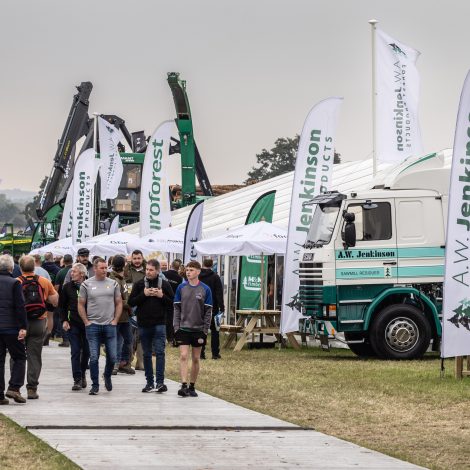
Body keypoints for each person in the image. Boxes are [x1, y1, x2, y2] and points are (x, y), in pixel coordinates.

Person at [78, 257, 122, 395]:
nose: (105, 270)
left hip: (110, 325)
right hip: (93, 325)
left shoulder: (113, 284)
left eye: (106, 267)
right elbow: (80, 304)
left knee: (113, 357)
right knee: (94, 356)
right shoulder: (86, 284)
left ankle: (107, 375)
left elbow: (119, 302)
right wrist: (86, 321)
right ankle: (95, 384)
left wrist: (115, 320)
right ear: (95, 269)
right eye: (102, 268)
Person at [128, 259, 174, 393]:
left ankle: (160, 382)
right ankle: (149, 382)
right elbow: (131, 302)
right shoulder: (139, 284)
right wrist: (144, 294)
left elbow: (172, 303)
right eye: (147, 269)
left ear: (158, 271)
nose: (148, 272)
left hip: (160, 323)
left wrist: (162, 296)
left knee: (160, 352)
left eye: (151, 270)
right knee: (146, 354)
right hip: (143, 324)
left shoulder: (165, 284)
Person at [17, 255, 58, 399]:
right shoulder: (44, 281)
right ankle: (32, 388)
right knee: (35, 356)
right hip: (39, 321)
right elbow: (55, 301)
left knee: (17, 355)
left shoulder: (16, 282)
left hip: (20, 323)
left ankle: (15, 386)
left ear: (20, 267)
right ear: (34, 267)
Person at [173, 260, 212, 397]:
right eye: (187, 270)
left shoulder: (205, 289)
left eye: (191, 270)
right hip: (183, 328)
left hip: (199, 329)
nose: (188, 272)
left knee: (196, 358)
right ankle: (183, 385)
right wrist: (176, 327)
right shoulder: (181, 288)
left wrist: (205, 330)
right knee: (183, 356)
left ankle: (192, 386)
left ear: (198, 272)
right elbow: (176, 309)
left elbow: (208, 311)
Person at [0, 254, 27, 404]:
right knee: (19, 357)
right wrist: (23, 326)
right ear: (11, 268)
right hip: (11, 327)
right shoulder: (14, 283)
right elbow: (20, 307)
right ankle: (14, 388)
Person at [59, 263, 89, 391]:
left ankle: (82, 374)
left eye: (74, 272)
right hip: (73, 323)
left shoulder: (90, 286)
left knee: (87, 352)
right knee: (75, 351)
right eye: (71, 272)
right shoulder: (67, 287)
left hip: (88, 323)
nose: (71, 274)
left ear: (82, 274)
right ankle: (77, 379)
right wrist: (64, 320)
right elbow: (62, 306)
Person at [109, 255, 134, 375]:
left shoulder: (121, 277)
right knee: (118, 341)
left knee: (129, 340)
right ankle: (115, 364)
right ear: (123, 265)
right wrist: (130, 303)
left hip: (125, 316)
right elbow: (114, 299)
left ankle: (124, 362)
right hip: (116, 315)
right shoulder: (113, 279)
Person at [199, 258, 225, 360]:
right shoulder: (215, 277)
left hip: (199, 307)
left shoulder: (198, 276)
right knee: (215, 331)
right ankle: (215, 353)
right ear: (211, 265)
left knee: (201, 330)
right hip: (212, 307)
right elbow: (219, 293)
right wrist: (221, 307)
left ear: (203, 264)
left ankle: (201, 353)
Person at [124, 250, 146, 370]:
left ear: (142, 258)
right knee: (130, 333)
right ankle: (128, 360)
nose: (137, 261)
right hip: (130, 304)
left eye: (139, 258)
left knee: (142, 334)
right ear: (131, 259)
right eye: (135, 258)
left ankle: (140, 362)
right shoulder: (126, 271)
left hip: (144, 304)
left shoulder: (148, 270)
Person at [53, 253, 74, 347]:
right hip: (74, 298)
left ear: (64, 261)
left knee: (63, 317)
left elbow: (56, 288)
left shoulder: (60, 272)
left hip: (63, 298)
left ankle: (65, 339)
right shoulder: (76, 270)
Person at [163, 259, 183, 343]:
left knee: (163, 317)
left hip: (162, 298)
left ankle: (164, 336)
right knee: (171, 319)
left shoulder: (164, 274)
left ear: (170, 265)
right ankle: (170, 337)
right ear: (178, 268)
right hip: (173, 300)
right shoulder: (180, 278)